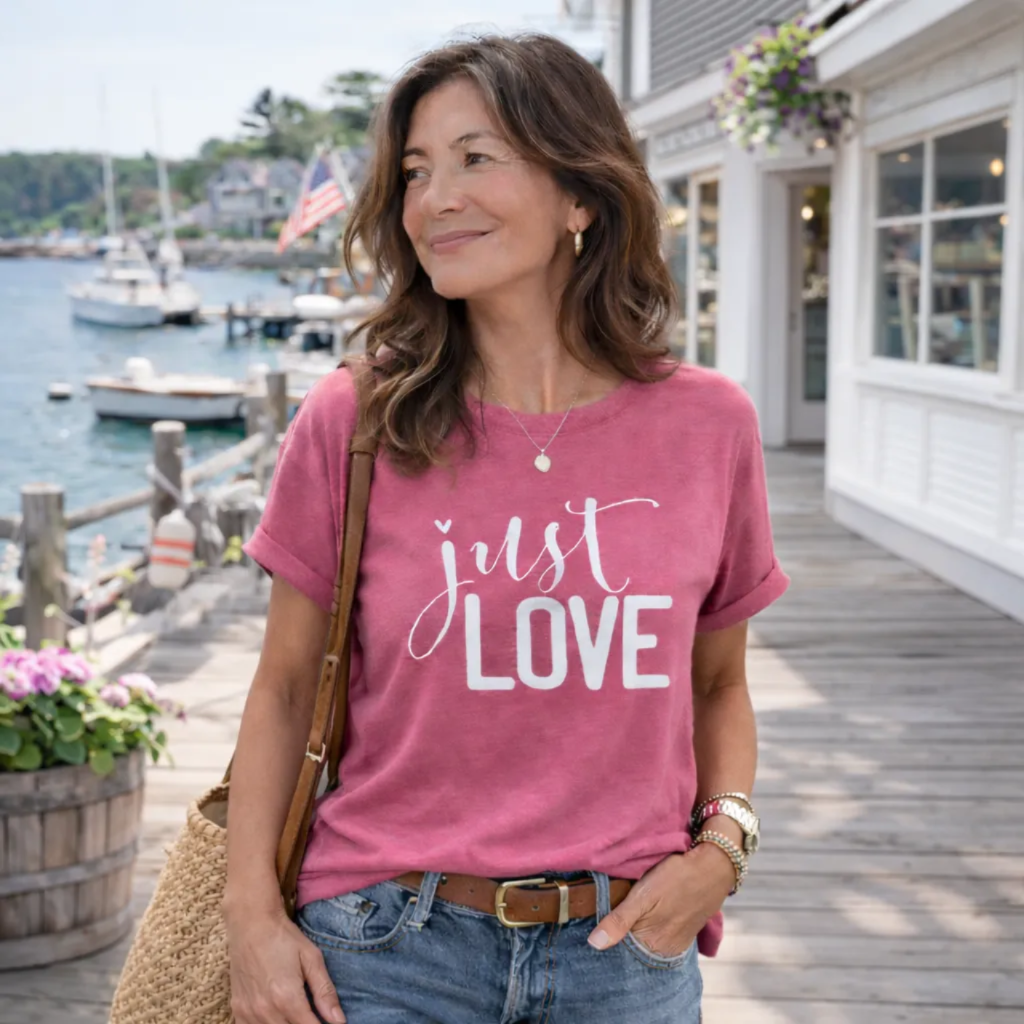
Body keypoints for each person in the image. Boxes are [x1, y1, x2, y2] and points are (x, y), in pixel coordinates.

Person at [225, 33, 789, 1024]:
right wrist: (251, 920)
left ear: (581, 195)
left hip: (628, 949)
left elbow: (717, 680)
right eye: (414, 171)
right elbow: (278, 688)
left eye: (476, 157)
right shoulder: (354, 420)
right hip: (383, 942)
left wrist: (724, 846)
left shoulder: (711, 425)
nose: (435, 197)